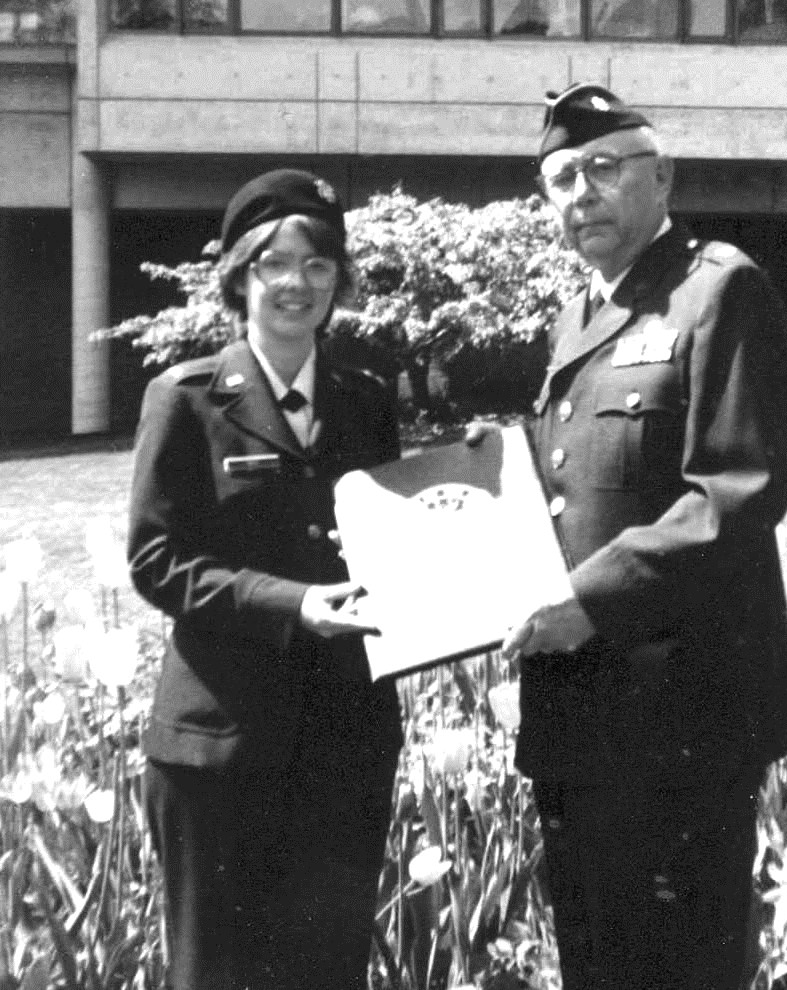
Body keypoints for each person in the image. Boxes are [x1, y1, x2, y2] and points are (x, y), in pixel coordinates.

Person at [497, 83, 787, 989]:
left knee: (680, 965)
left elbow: (733, 494)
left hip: (683, 716)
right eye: (558, 179)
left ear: (660, 175)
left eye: (602, 168)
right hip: (580, 713)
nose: (579, 193)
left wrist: (585, 601)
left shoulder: (717, 290)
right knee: (597, 960)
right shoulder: (577, 316)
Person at [128, 169, 403, 990]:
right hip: (219, 749)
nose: (297, 284)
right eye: (273, 263)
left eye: (318, 265)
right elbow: (156, 560)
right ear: (238, 276)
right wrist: (293, 607)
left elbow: (393, 545)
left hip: (344, 744)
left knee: (328, 973)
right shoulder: (185, 398)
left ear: (338, 281)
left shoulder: (364, 400)